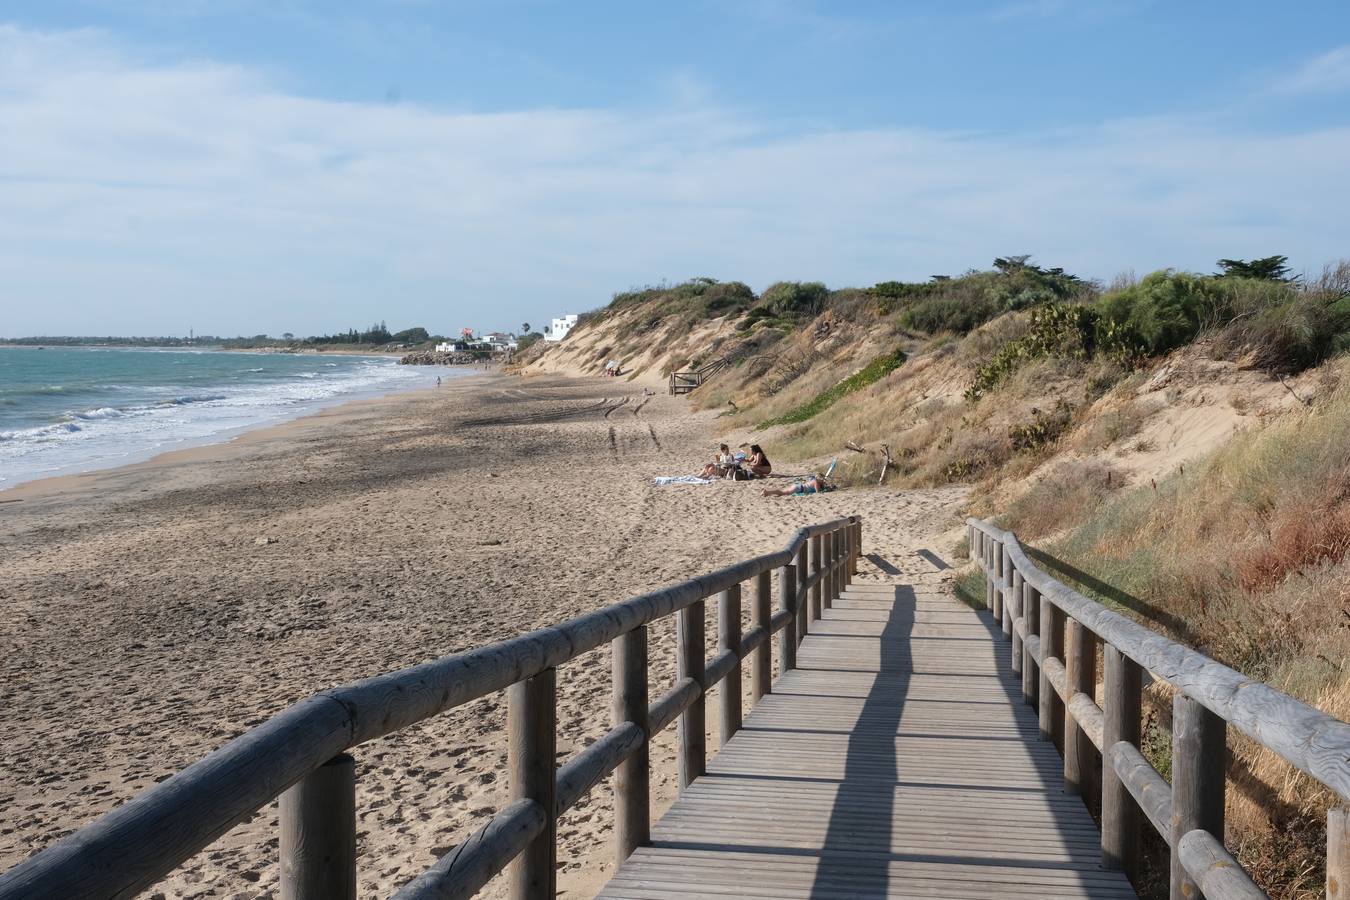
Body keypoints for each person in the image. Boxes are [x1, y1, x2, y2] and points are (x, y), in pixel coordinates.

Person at [762, 473, 830, 497]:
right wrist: (827, 489)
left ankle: (768, 493)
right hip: (798, 488)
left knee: (782, 492)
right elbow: (818, 492)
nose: (823, 481)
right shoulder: (816, 483)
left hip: (798, 486)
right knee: (782, 492)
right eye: (822, 480)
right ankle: (767, 492)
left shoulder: (814, 480)